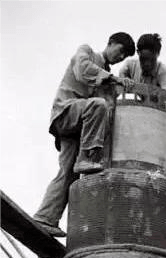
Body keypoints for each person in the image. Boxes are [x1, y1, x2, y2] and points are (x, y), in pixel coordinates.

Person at [33, 33, 136, 237]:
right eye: (120, 50)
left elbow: (109, 107)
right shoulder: (87, 52)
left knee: (68, 174)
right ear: (111, 43)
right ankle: (86, 156)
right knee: (98, 105)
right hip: (66, 112)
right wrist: (112, 79)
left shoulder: (106, 75)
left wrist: (123, 91)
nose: (120, 57)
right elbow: (82, 71)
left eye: (124, 56)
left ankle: (45, 217)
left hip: (79, 128)